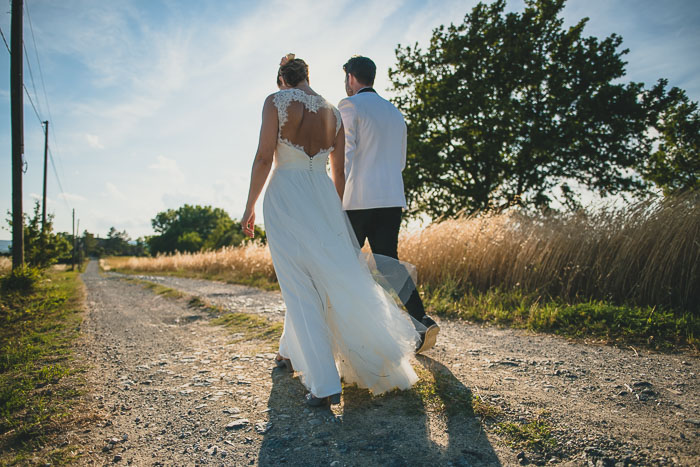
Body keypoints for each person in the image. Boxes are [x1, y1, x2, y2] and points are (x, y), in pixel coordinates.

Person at [241, 54, 423, 407]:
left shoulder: (275, 102)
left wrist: (249, 206)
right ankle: (288, 353)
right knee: (319, 277)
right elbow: (339, 172)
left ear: (283, 80)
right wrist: (334, 211)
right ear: (307, 76)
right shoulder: (334, 112)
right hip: (324, 196)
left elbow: (264, 157)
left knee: (298, 284)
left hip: (287, 195)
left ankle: (324, 383)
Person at [338, 56, 439, 354]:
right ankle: (421, 320)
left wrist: (336, 197)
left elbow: (346, 154)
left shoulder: (350, 105)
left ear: (352, 77)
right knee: (387, 262)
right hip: (391, 197)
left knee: (345, 264)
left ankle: (354, 334)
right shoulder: (395, 113)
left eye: (346, 77)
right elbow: (401, 162)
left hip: (357, 199)